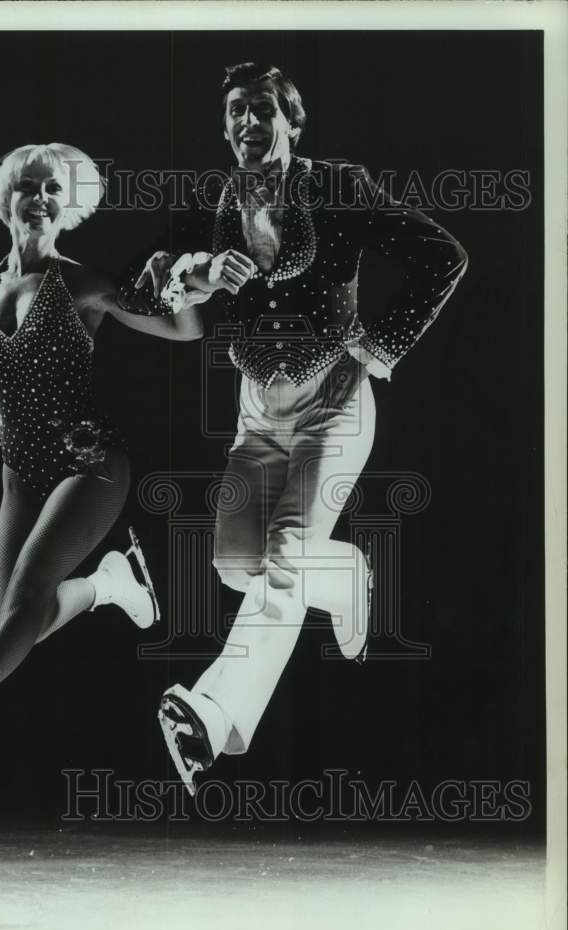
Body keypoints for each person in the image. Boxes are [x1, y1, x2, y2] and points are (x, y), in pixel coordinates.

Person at [122, 62, 469, 794]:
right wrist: (194, 269)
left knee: (281, 564)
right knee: (234, 566)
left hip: (332, 403)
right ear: (225, 128)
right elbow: (154, 280)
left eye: (263, 111)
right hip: (257, 412)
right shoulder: (215, 197)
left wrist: (379, 348)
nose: (249, 124)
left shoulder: (337, 185)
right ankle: (345, 576)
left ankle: (211, 716)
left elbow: (444, 254)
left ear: (291, 122)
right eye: (237, 112)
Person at [0, 142, 232, 781]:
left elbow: (183, 331)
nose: (40, 199)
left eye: (54, 190)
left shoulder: (83, 283)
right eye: (29, 187)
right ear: (7, 199)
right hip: (20, 472)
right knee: (17, 614)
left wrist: (190, 286)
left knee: (22, 609)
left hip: (91, 466)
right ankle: (111, 584)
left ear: (71, 206)